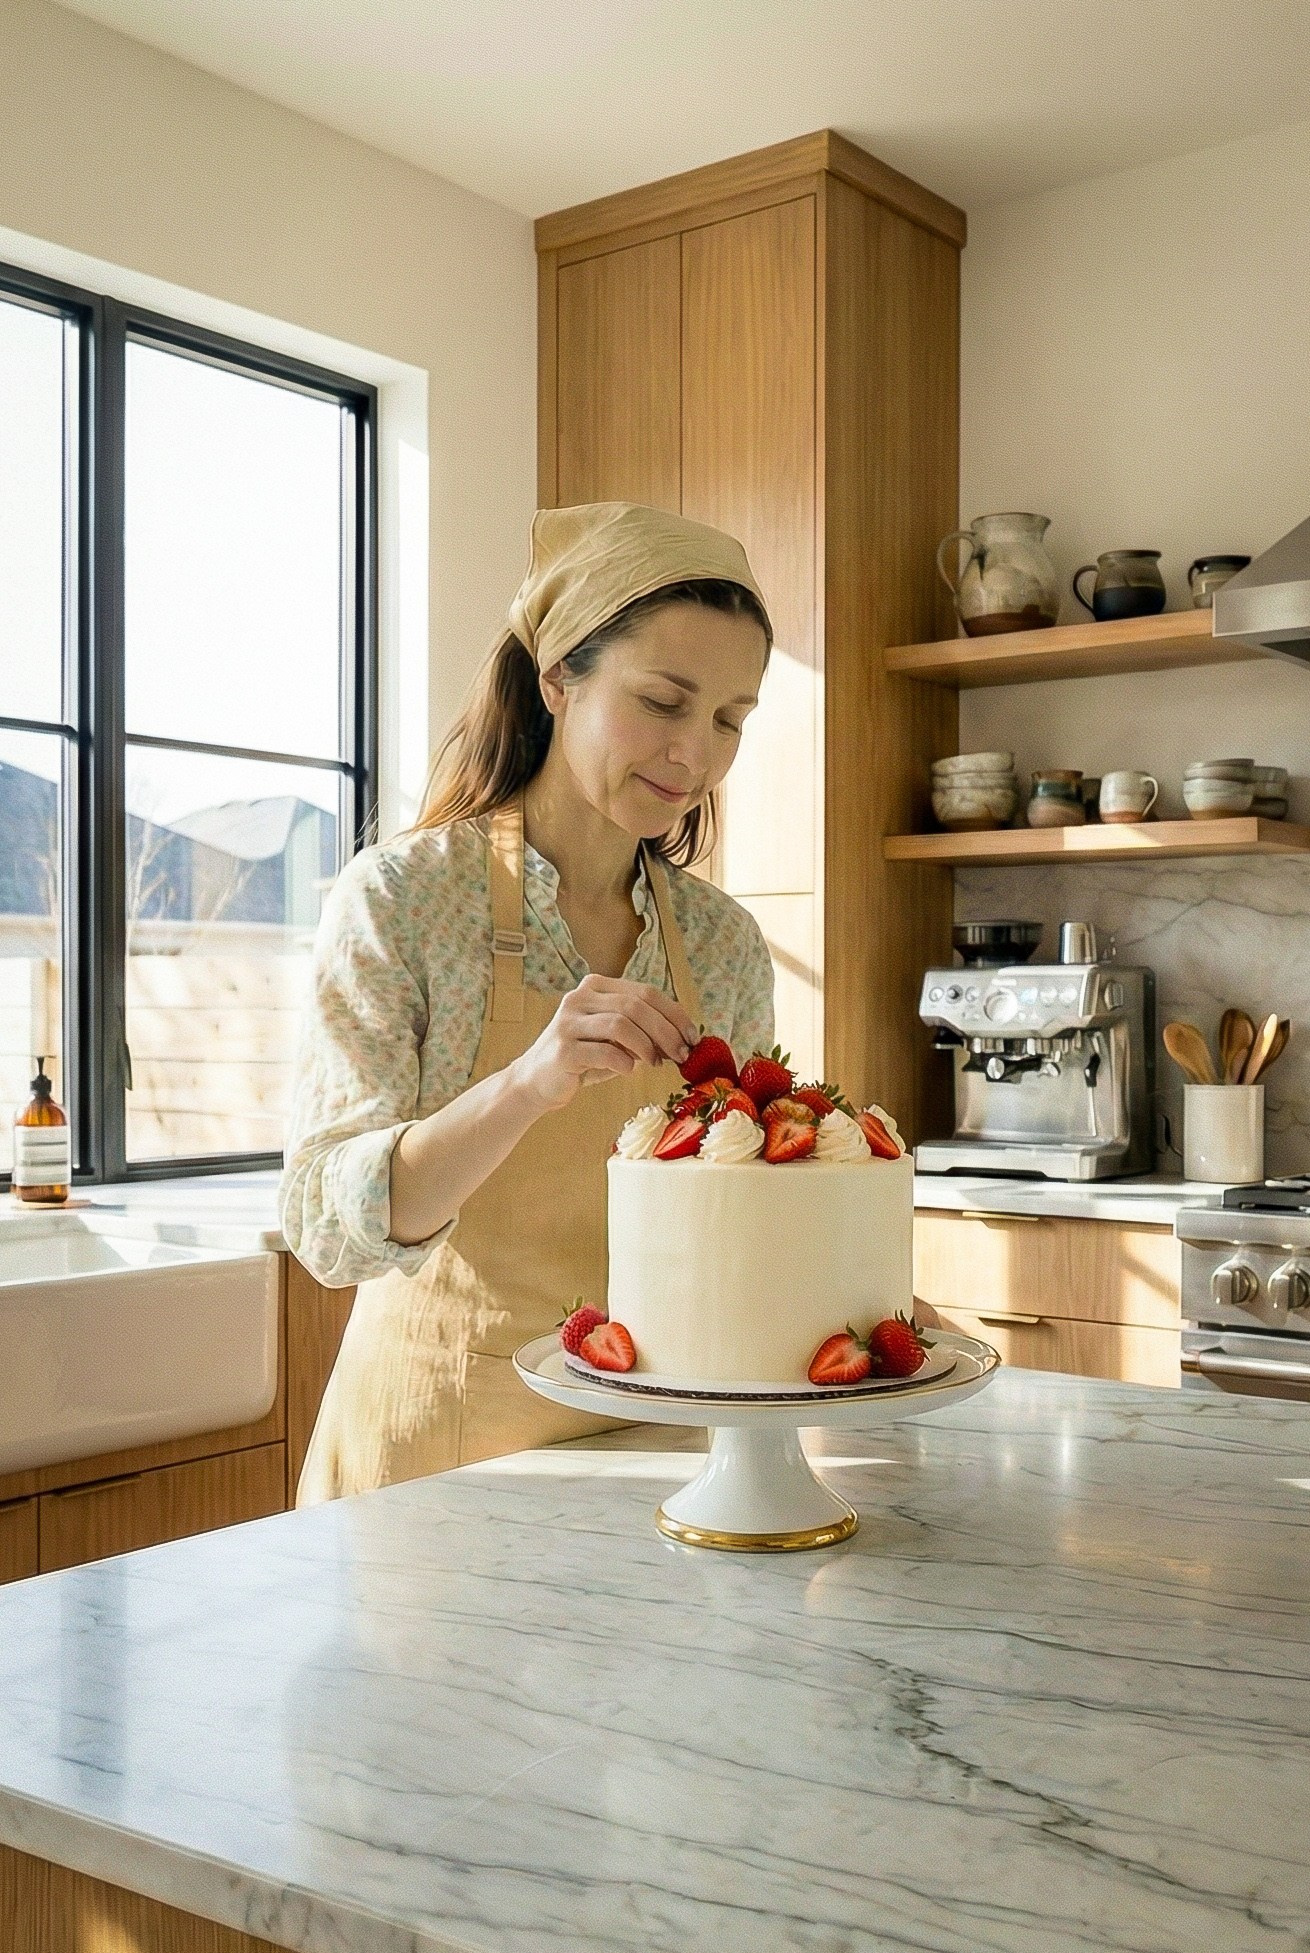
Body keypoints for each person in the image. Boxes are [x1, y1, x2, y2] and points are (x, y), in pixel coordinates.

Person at [281, 501, 776, 1502]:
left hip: (656, 1450)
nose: (696, 753)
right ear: (557, 678)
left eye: (729, 719)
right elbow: (330, 1231)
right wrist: (529, 1080)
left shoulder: (720, 944)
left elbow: (742, 1215)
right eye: (663, 701)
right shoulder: (405, 898)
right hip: (435, 1457)